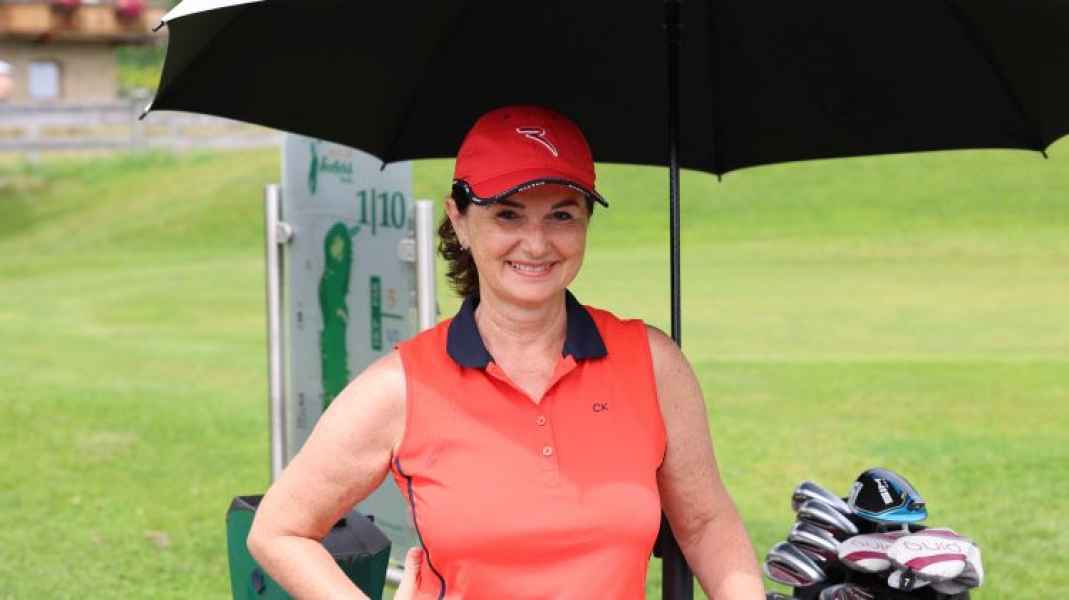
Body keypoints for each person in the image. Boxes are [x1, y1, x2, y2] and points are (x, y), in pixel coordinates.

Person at [248, 105, 765, 599]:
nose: (536, 244)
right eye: (508, 215)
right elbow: (279, 530)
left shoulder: (652, 363)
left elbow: (705, 523)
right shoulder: (401, 386)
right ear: (459, 220)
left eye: (561, 215)